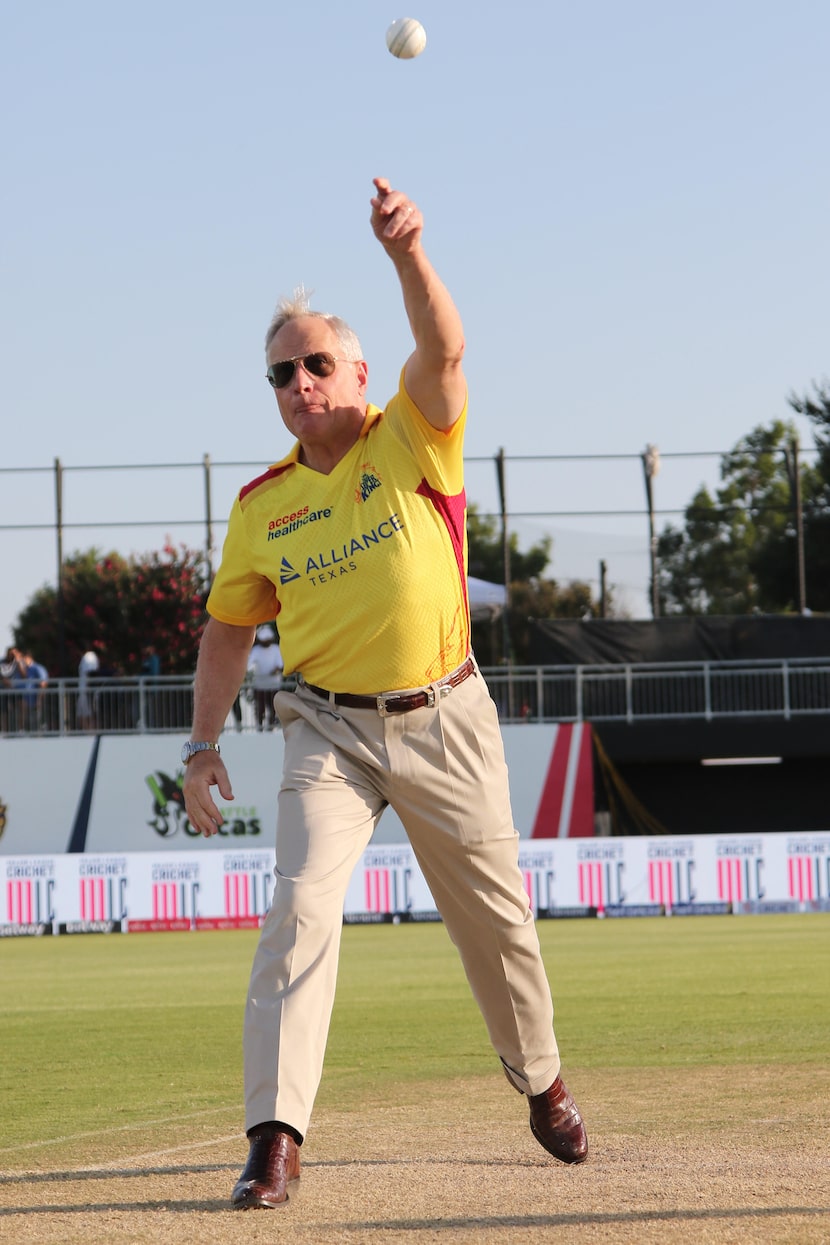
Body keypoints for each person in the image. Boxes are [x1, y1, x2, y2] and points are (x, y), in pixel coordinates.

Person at [182, 177, 588, 1211]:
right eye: (281, 372)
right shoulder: (261, 507)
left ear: (358, 371)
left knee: (493, 927)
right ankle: (275, 1137)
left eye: (317, 364)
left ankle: (538, 1079)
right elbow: (230, 629)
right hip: (326, 727)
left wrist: (408, 253)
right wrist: (201, 744)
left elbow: (445, 352)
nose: (299, 382)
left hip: (443, 712)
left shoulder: (410, 437)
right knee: (299, 910)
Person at [247, 625, 283, 730]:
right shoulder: (256, 650)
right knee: (259, 708)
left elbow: (280, 665)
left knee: (273, 708)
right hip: (260, 685)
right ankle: (259, 727)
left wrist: (275, 671)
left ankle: (271, 727)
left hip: (274, 685)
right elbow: (249, 666)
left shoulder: (276, 649)